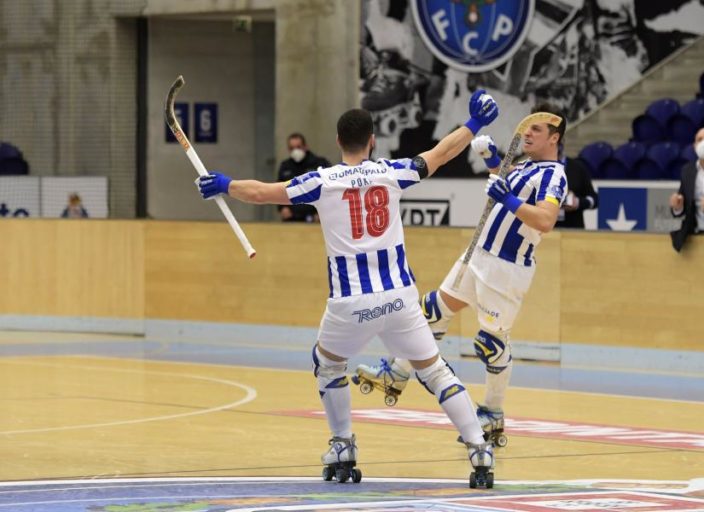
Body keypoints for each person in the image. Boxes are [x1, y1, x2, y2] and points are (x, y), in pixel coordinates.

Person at [195, 90, 500, 487]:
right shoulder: (391, 172)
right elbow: (441, 153)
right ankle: (479, 449)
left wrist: (224, 184)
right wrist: (474, 124)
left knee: (328, 363)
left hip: (350, 303)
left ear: (338, 141)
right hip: (399, 298)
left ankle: (343, 444)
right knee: (435, 371)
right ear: (372, 140)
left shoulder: (321, 181)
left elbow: (263, 193)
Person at [355, 104, 568, 448]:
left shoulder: (554, 175)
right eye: (527, 128)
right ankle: (396, 374)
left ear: (554, 138)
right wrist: (492, 162)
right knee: (432, 311)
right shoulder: (526, 166)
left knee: (492, 343)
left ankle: (493, 414)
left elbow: (544, 220)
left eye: (537, 130)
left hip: (506, 267)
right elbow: (506, 184)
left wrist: (509, 200)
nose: (527, 133)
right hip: (478, 254)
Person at [276, 133, 331, 222]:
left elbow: (328, 189)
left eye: (298, 147)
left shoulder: (319, 164)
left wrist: (323, 212)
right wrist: (282, 208)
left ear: (305, 146)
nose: (295, 151)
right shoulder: (285, 166)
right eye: (292, 148)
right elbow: (279, 188)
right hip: (291, 218)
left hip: (314, 218)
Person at [556, 154, 598, 229]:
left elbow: (594, 200)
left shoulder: (577, 167)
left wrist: (578, 202)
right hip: (541, 231)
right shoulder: (534, 167)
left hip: (573, 229)